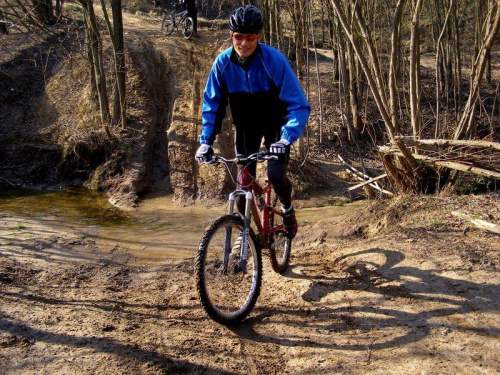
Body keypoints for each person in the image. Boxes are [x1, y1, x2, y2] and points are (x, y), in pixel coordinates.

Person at [195, 5, 310, 238]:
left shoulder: (274, 61)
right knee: (242, 186)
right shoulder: (222, 64)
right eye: (238, 37)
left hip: (276, 126)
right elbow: (212, 105)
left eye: (250, 37)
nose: (244, 43)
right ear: (231, 35)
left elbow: (298, 104)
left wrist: (287, 138)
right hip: (245, 126)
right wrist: (206, 141)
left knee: (276, 176)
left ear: (259, 36)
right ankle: (244, 235)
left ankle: (287, 208)